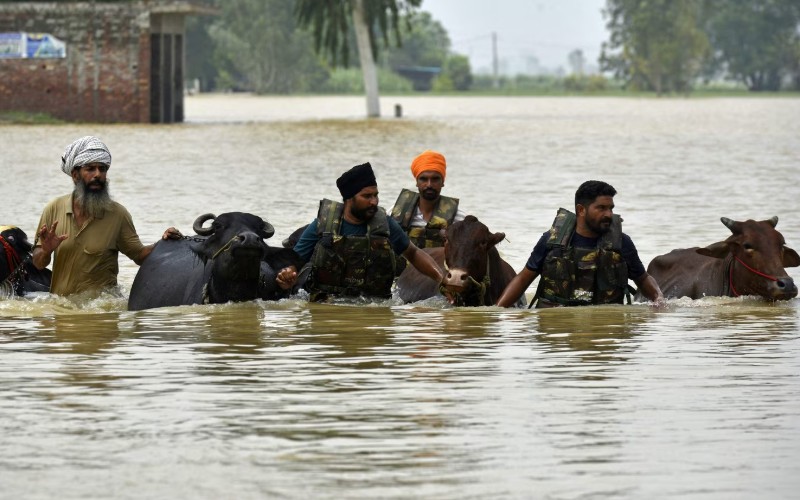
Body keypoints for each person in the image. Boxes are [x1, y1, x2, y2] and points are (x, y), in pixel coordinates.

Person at [32, 136, 182, 296]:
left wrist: (165, 243)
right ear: (75, 175)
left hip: (102, 313)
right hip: (61, 313)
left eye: (102, 169)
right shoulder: (53, 209)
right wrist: (46, 251)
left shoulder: (118, 215)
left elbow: (140, 257)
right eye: (90, 169)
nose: (98, 175)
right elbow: (38, 264)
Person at [275, 162, 446, 302]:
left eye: (376, 195)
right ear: (349, 198)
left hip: (374, 303)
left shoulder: (385, 223)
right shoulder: (323, 224)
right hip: (327, 303)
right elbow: (294, 261)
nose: (374, 202)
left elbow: (414, 253)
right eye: (367, 196)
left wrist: (441, 279)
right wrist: (287, 276)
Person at [496, 180, 664, 308]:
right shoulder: (551, 241)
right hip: (557, 329)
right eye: (601, 208)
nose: (609, 214)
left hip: (604, 327)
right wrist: (498, 311)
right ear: (581, 210)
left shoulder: (622, 243)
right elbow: (524, 278)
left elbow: (643, 279)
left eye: (611, 208)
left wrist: (659, 301)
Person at [390, 149, 466, 249]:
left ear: (442, 182)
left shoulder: (460, 219)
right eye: (424, 179)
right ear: (417, 182)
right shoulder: (395, 214)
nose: (429, 185)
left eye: (435, 179)